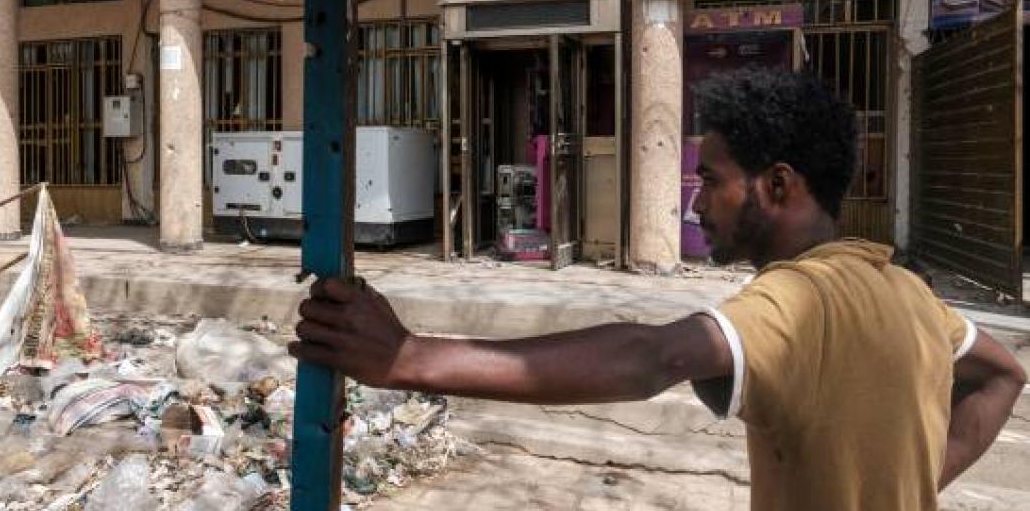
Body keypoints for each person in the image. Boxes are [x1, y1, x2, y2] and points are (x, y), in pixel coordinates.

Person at [290, 69, 1026, 510]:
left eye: (709, 180)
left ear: (776, 185)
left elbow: (652, 358)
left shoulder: (793, 303)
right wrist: (910, 489)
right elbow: (1003, 374)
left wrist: (410, 357)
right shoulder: (903, 290)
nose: (694, 203)